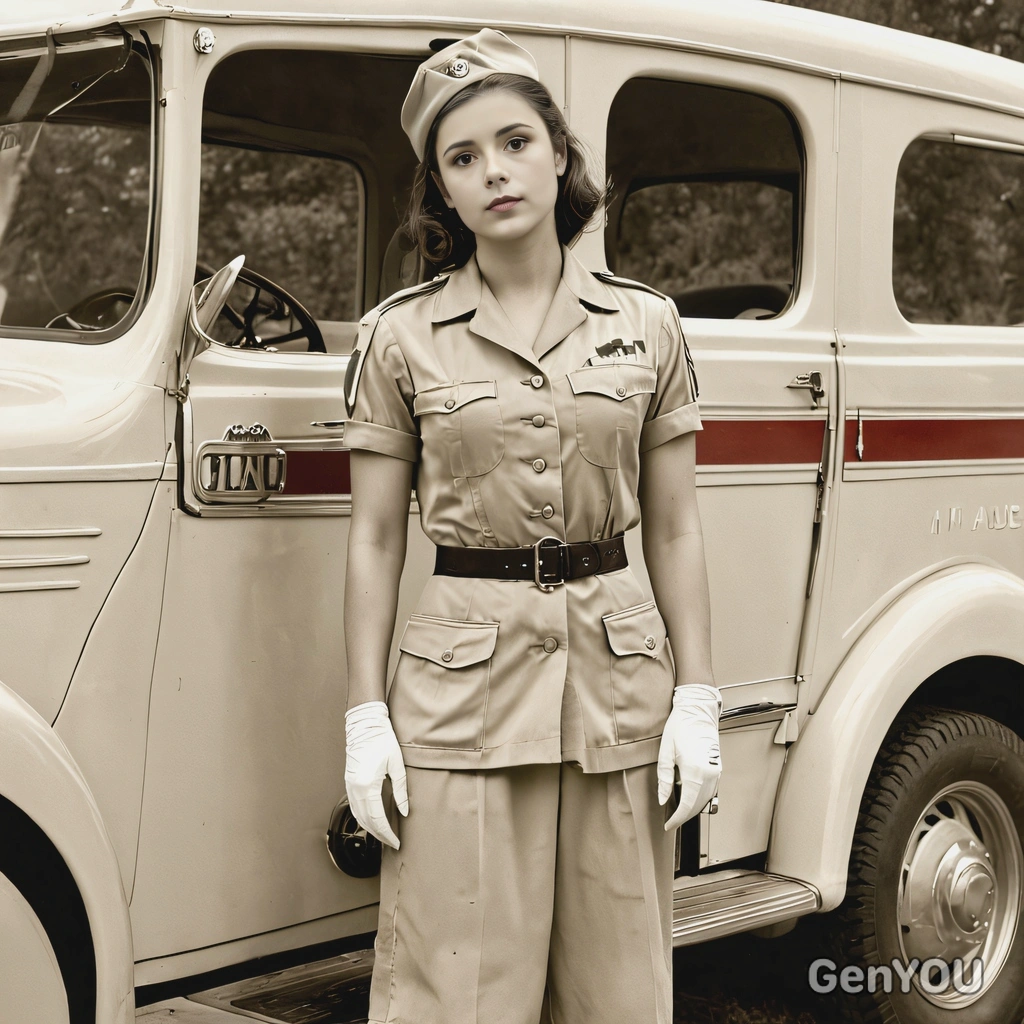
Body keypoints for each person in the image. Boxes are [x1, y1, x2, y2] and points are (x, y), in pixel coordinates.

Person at [341, 28, 721, 1024]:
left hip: (617, 685)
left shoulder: (647, 326)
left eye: (514, 141)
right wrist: (364, 715)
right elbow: (377, 538)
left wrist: (698, 696)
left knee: (619, 992)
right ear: (442, 194)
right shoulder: (400, 337)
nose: (494, 172)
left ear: (559, 153)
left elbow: (675, 528)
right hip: (461, 697)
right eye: (462, 158)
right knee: (454, 992)